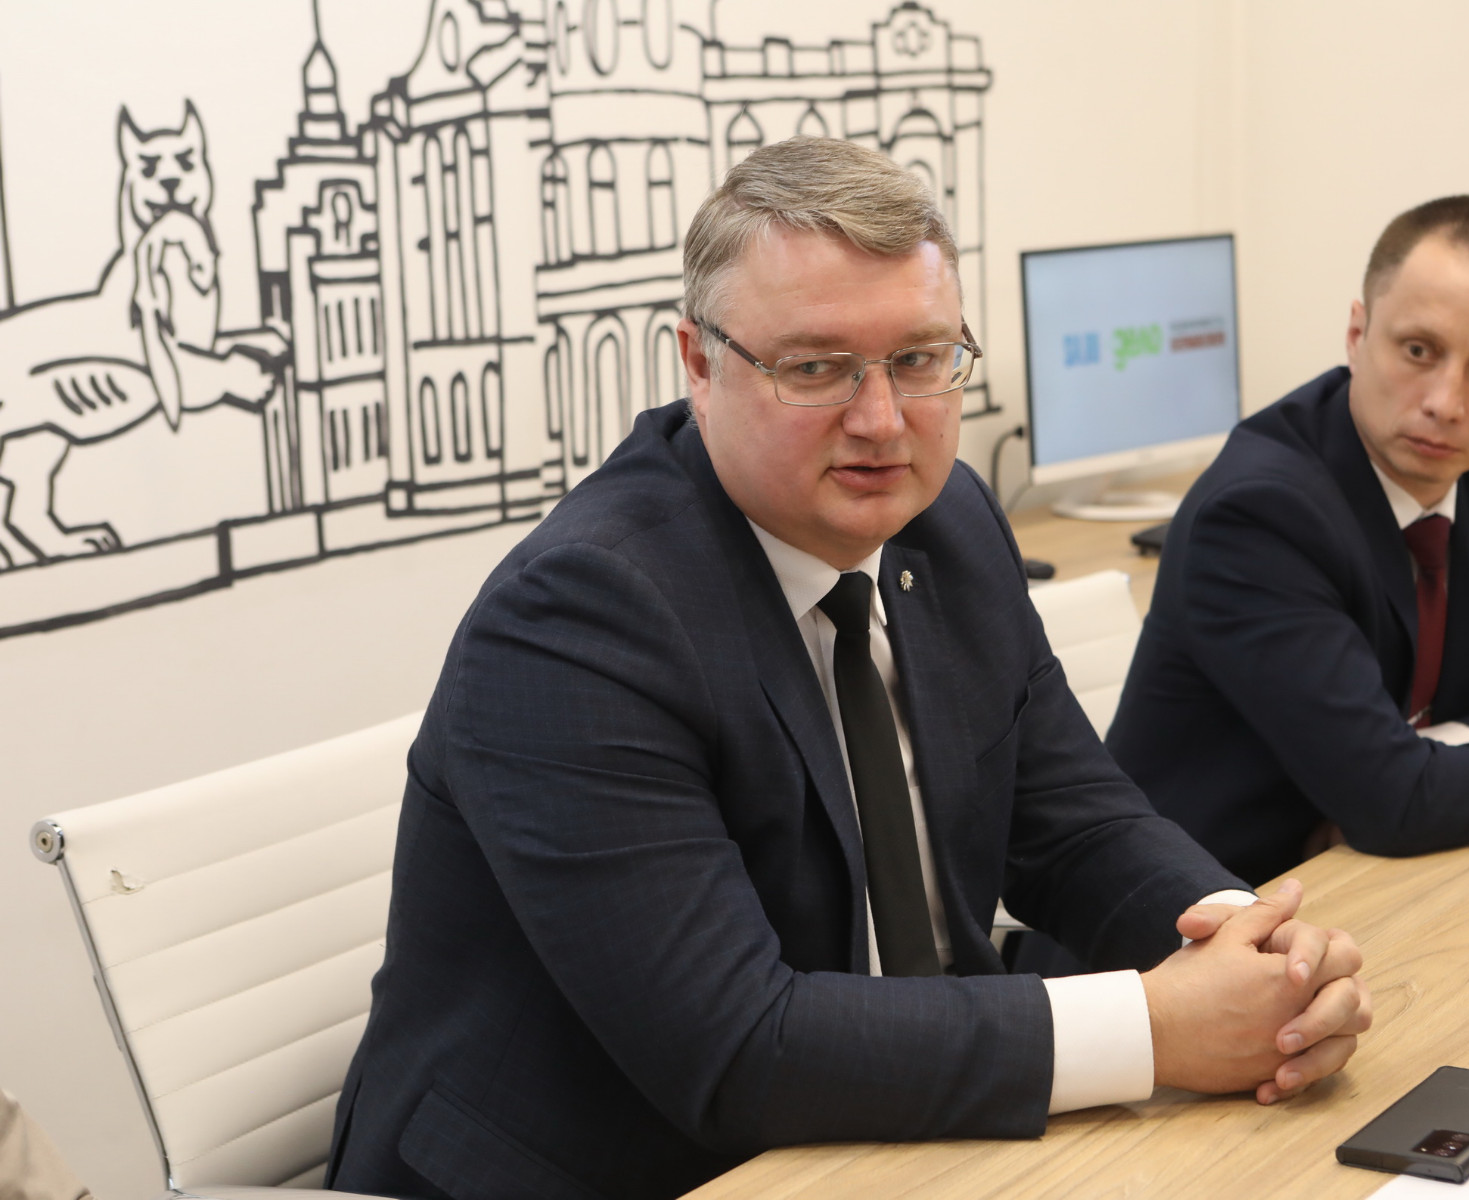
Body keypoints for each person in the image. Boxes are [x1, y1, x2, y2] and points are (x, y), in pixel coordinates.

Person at [324, 139, 1371, 1200]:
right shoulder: (581, 617)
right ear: (698, 364)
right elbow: (736, 1044)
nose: (881, 422)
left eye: (918, 360)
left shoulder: (948, 522)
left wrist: (1252, 951)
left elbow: (1076, 826)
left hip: (889, 1133)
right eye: (815, 369)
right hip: (630, 1168)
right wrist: (1153, 1028)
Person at [1107, 195, 1469, 890]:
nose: (1446, 402)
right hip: (1202, 911)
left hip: (1374, 883)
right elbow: (1394, 803)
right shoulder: (1260, 514)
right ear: (1357, 333)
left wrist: (1431, 762)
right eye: (1419, 350)